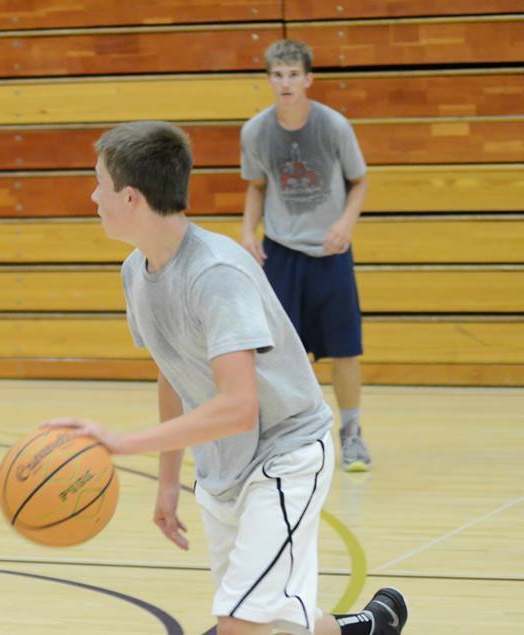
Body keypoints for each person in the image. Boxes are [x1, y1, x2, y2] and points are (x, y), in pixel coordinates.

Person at [44, 121, 407, 634]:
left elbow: (240, 406)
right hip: (222, 468)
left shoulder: (216, 274)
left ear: (130, 197)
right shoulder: (135, 272)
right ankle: (367, 627)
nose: (92, 194)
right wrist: (168, 482)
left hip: (285, 457)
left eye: (98, 181)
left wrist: (124, 443)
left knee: (238, 624)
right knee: (276, 620)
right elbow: (171, 375)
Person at [239, 39, 372, 472]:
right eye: (277, 75)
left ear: (309, 79)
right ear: (268, 80)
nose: (285, 82)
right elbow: (256, 187)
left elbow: (360, 182)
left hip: (330, 252)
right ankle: (289, 436)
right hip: (281, 253)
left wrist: (345, 224)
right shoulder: (256, 131)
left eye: (294, 74)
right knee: (279, 353)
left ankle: (351, 433)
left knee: (345, 348)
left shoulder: (333, 126)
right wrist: (246, 231)